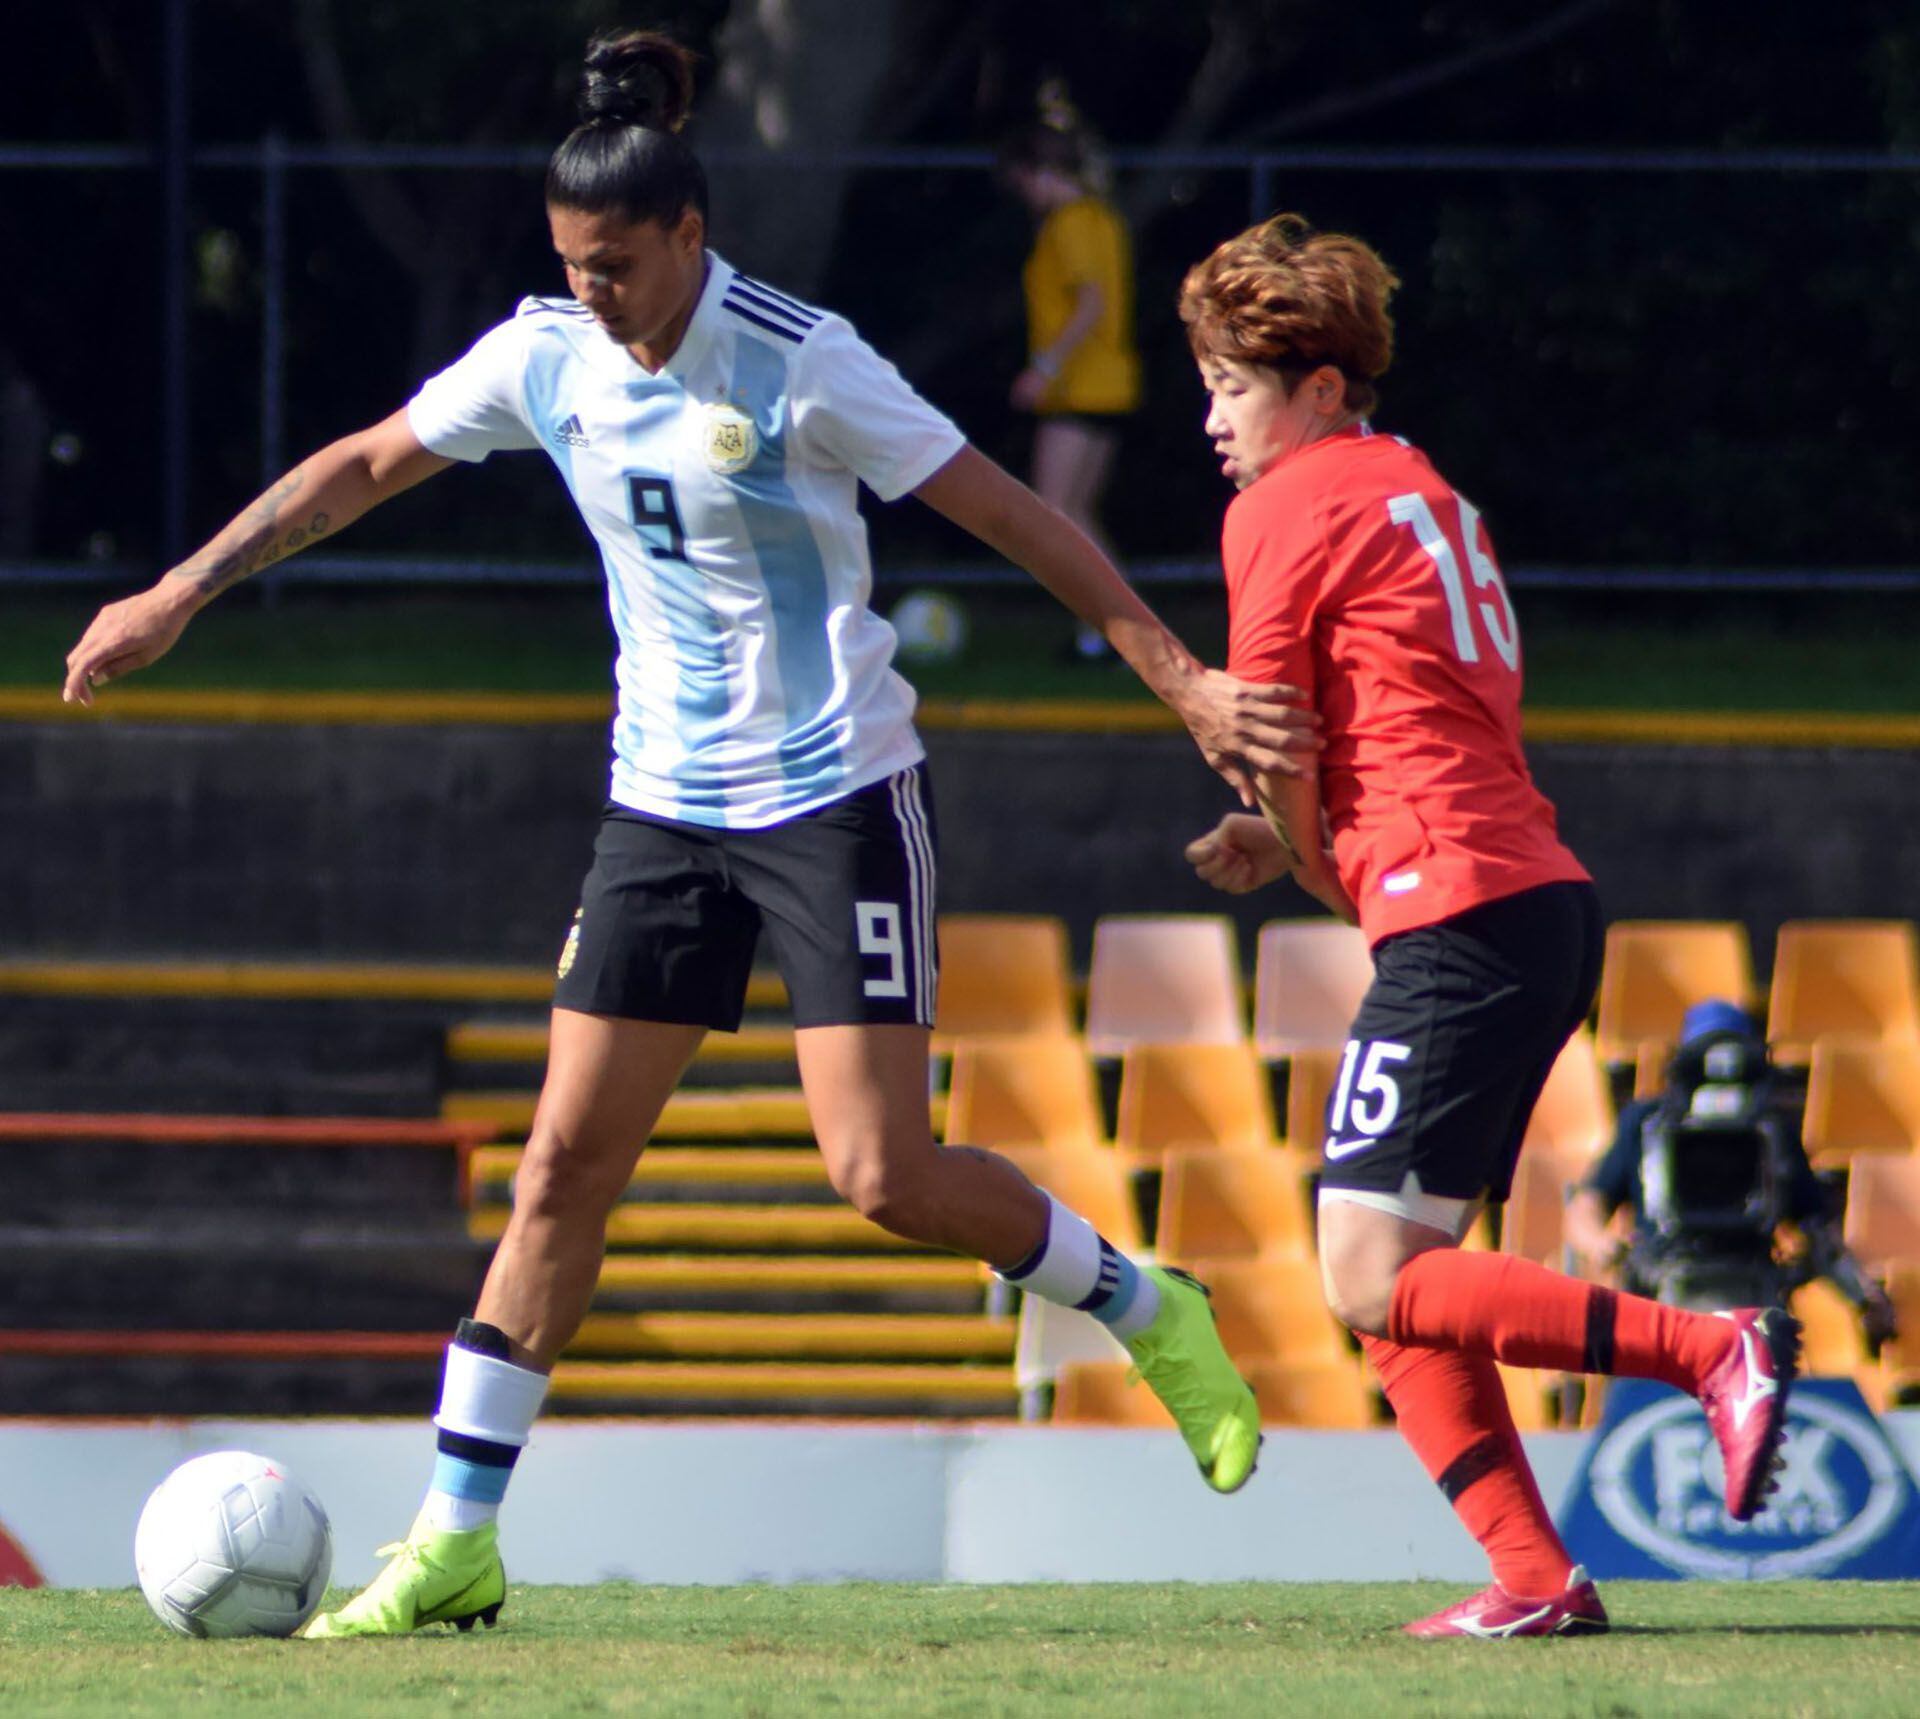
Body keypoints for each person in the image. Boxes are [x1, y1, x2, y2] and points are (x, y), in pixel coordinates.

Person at [63, 34, 1313, 1636]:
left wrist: (1187, 681)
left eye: (617, 267)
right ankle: (456, 1534)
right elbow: (365, 463)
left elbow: (1015, 517)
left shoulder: (803, 360)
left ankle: (1149, 1302)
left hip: (836, 798)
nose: (592, 295)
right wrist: (179, 590)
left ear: (690, 240)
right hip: (659, 811)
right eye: (570, 267)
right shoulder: (543, 353)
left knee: (881, 1170)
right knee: (561, 1164)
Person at [1176, 214, 1801, 1638]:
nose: (1213, 422)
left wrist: (1293, 840)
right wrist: (1295, 841)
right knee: (1407, 1284)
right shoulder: (1420, 488)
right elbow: (1390, 717)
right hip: (1524, 896)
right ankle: (1534, 1576)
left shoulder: (1282, 503)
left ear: (1320, 388)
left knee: (1360, 1267)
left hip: (1456, 906)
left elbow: (1270, 728)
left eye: (1231, 388)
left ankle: (1713, 1346)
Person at [1566, 999, 1898, 1342]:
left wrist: (1863, 1296)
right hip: (1660, 1294)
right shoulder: (1647, 1123)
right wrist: (1603, 1246)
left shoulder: (1772, 1131)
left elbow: (1815, 1228)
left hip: (1752, 1293)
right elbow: (1589, 1204)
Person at [999, 84, 1140, 663]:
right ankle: (1113, 631)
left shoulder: (1073, 223)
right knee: (1070, 513)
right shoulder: (1098, 218)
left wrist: (1043, 368)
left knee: (1055, 514)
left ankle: (1118, 630)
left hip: (1082, 387)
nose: (1023, 194)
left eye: (1023, 181)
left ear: (1039, 172)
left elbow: (1089, 305)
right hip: (1106, 386)